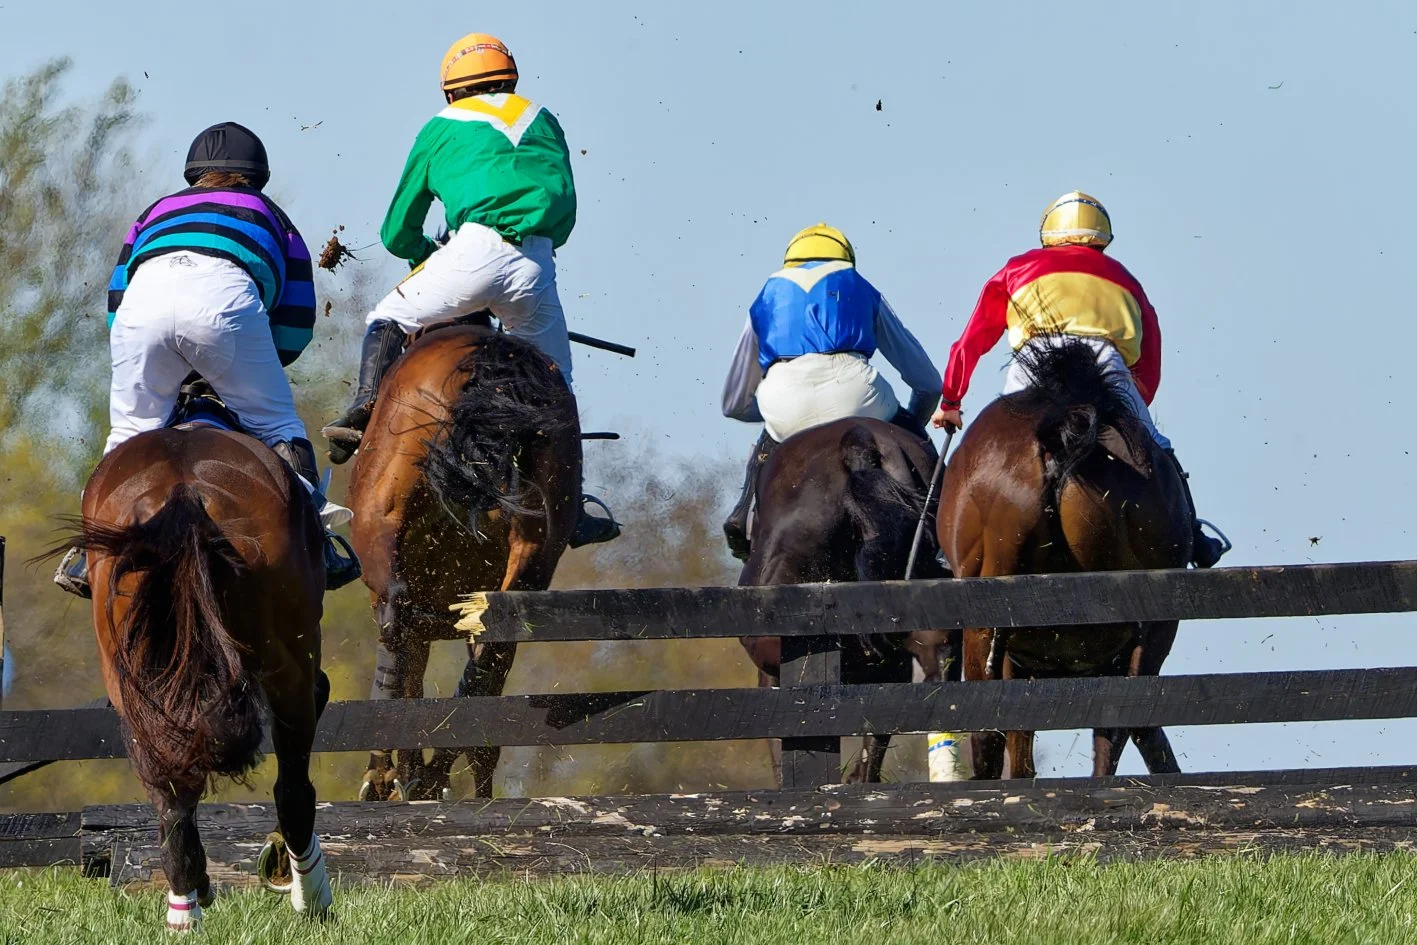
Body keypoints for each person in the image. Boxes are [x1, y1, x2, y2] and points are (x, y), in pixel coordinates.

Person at [320, 32, 618, 548]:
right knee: (557, 381)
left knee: (387, 317)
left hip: (470, 254)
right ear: (511, 80)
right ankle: (573, 507)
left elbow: (397, 231)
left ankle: (363, 408)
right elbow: (565, 212)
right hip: (537, 265)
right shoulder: (545, 120)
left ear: (451, 91)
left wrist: (426, 258)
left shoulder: (441, 126)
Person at [54, 122, 360, 598]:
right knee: (279, 423)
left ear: (193, 174)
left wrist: (167, 366)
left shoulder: (156, 210)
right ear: (257, 177)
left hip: (141, 312)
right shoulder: (272, 216)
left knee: (129, 434)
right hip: (224, 308)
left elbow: (117, 306)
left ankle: (88, 553)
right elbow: (297, 321)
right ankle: (318, 538)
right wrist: (241, 369)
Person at [931, 191, 1228, 568]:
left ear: (1049, 234)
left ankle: (947, 547)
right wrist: (1132, 411)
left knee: (983, 445)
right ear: (1100, 238)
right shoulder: (1125, 278)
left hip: (1030, 362)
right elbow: (1149, 361)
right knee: (1158, 444)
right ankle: (1195, 536)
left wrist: (951, 402)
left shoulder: (1017, 268)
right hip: (1106, 364)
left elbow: (971, 340)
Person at [721, 223, 942, 561]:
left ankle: (742, 517)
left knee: (769, 439)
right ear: (846, 258)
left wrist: (772, 415)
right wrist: (909, 426)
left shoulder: (765, 297)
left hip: (783, 406)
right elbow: (927, 383)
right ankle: (941, 532)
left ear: (789, 261)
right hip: (857, 397)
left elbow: (734, 404)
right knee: (913, 442)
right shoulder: (860, 287)